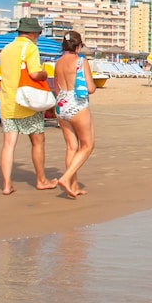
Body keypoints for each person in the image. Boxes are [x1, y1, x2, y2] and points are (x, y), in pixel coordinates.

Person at [0, 17, 57, 195]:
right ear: (32, 33)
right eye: (38, 33)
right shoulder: (30, 47)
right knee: (38, 141)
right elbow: (34, 74)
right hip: (26, 102)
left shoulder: (6, 49)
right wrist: (45, 73)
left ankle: (7, 184)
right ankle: (41, 180)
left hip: (7, 102)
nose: (38, 36)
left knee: (8, 145)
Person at [53, 31, 97, 198]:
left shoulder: (58, 63)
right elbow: (91, 88)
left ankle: (74, 185)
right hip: (77, 104)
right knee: (87, 145)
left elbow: (56, 86)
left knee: (72, 146)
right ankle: (66, 178)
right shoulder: (81, 61)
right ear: (78, 46)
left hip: (61, 104)